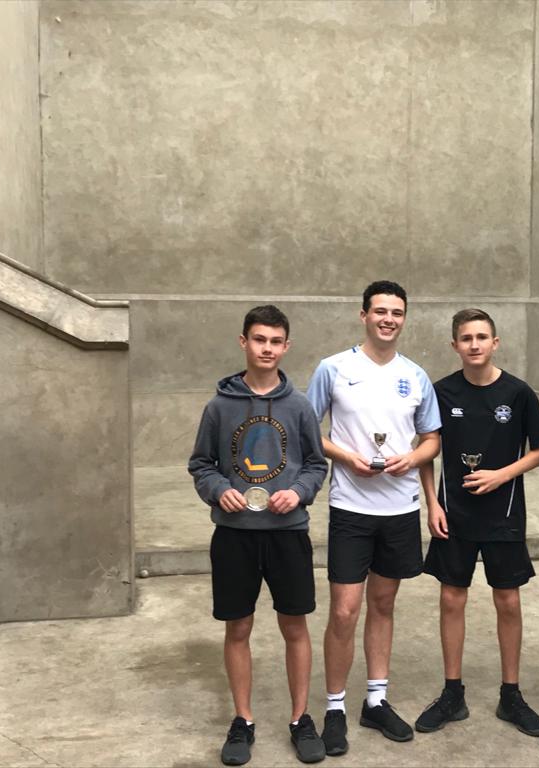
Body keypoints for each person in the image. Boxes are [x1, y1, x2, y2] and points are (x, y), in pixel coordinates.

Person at [188, 305, 329, 766]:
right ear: (243, 342)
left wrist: (299, 493)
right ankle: (243, 720)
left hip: (287, 533)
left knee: (295, 625)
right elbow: (201, 464)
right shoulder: (219, 406)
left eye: (275, 341)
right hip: (234, 535)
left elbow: (315, 463)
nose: (266, 348)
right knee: (239, 626)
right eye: (258, 339)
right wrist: (220, 490)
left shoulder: (299, 405)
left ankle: (300, 718)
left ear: (286, 347)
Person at [306, 280, 441, 756]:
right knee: (344, 610)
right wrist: (345, 457)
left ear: (404, 318)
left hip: (401, 510)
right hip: (350, 509)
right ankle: (336, 707)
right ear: (363, 315)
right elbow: (309, 430)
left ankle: (376, 701)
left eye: (397, 312)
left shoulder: (416, 376)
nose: (388, 318)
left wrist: (411, 458)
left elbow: (431, 440)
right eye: (380, 310)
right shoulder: (334, 368)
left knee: (383, 605)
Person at [414, 308, 539, 737]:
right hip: (453, 516)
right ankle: (452, 693)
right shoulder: (441, 392)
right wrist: (431, 504)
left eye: (482, 337)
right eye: (465, 338)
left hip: (503, 515)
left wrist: (503, 473)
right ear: (455, 345)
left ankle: (510, 695)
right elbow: (425, 449)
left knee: (508, 601)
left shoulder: (518, 393)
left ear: (495, 343)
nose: (474, 344)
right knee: (452, 599)